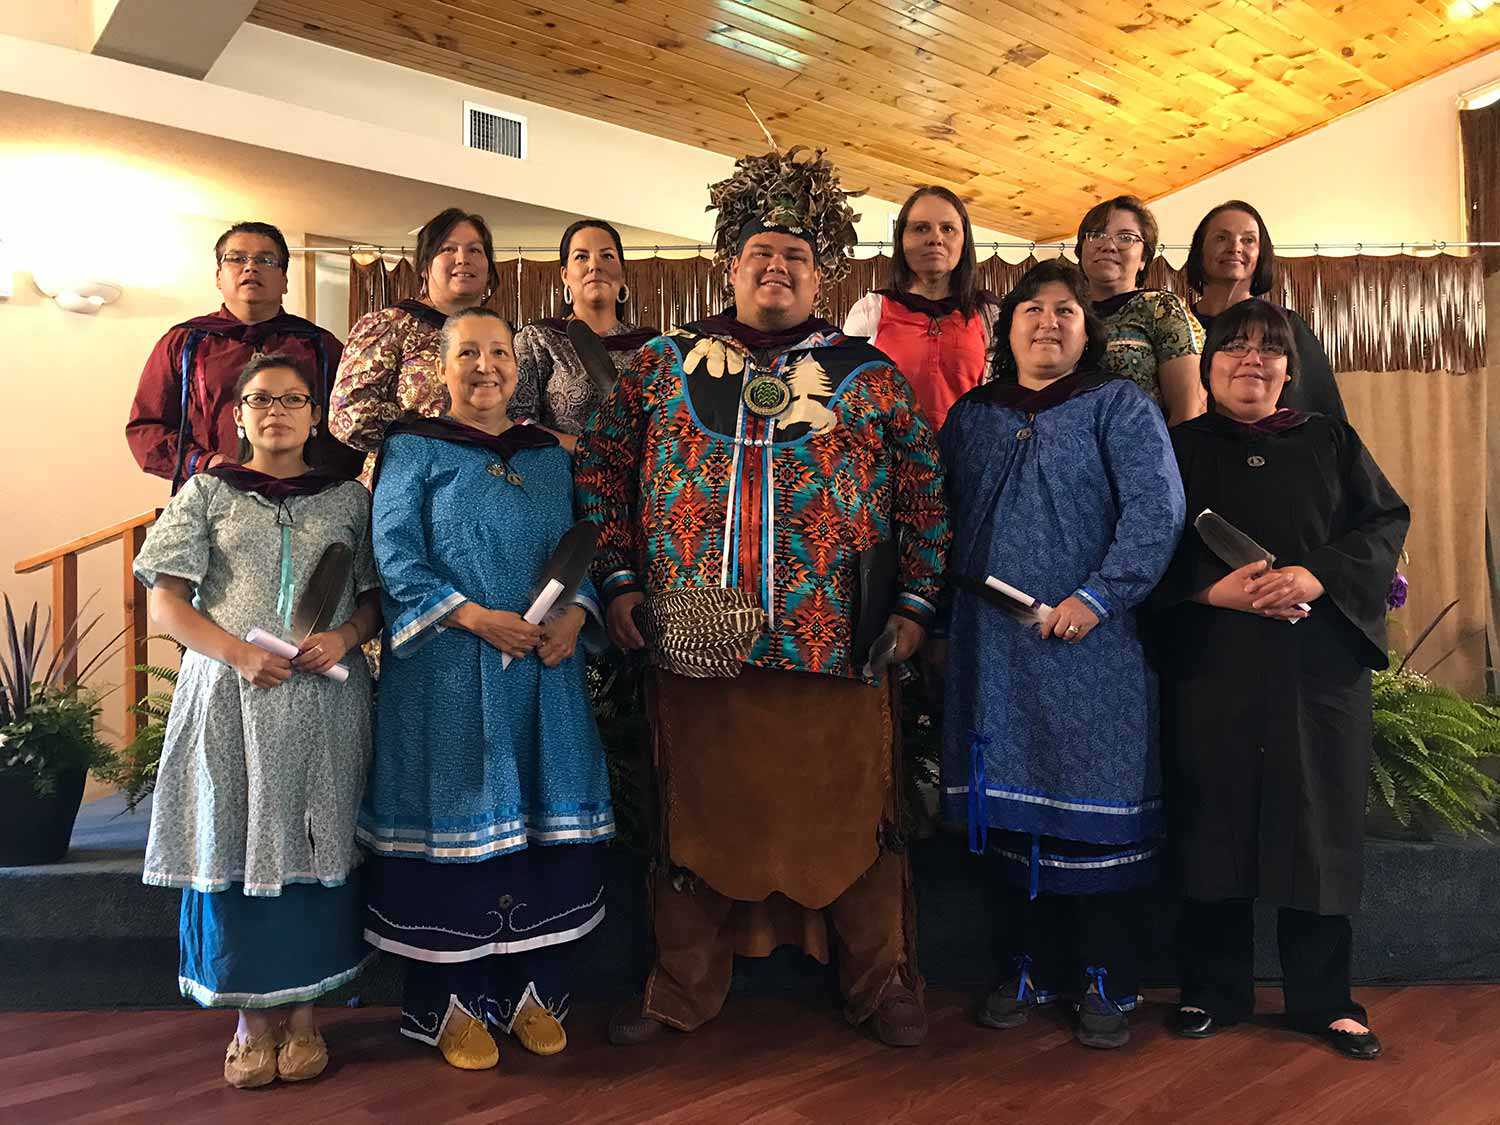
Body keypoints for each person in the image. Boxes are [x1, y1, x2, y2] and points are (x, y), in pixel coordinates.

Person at [576, 147, 950, 1049]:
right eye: (758, 254)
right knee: (698, 817)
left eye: (794, 255)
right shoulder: (660, 366)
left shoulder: (868, 374)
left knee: (855, 815)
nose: (775, 267)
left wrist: (912, 606)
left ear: (821, 274)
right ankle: (684, 983)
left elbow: (923, 495)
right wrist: (621, 581)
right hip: (698, 640)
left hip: (838, 641)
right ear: (729, 266)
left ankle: (878, 977)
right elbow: (602, 474)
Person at [359, 307, 614, 1071]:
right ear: (441, 367)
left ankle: (534, 991)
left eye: (498, 351)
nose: (484, 366)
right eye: (466, 352)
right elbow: (393, 554)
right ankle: (451, 1005)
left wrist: (576, 613)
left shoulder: (547, 455)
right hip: (446, 671)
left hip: (540, 671)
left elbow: (580, 550)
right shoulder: (412, 447)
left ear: (518, 365)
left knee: (538, 824)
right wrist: (474, 616)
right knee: (458, 830)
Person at [939, 259, 1185, 1049]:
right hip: (992, 650)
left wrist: (1097, 596)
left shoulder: (1120, 406)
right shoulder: (974, 415)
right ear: (1007, 329)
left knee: (1096, 818)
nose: (1049, 322)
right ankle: (1024, 965)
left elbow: (1157, 511)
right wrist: (937, 626)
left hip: (1097, 646)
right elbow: (936, 519)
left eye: (1066, 311)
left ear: (1089, 331)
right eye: (1033, 310)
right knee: (1009, 814)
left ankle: (1106, 976)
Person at [1154, 299, 1408, 1060]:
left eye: (1269, 351)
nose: (1251, 362)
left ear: (1291, 369)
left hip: (1316, 669)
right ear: (1208, 365)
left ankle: (1327, 999)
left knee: (1317, 828)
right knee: (1213, 821)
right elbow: (1146, 541)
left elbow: (1384, 523)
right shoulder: (1176, 447)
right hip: (1214, 666)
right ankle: (1212, 987)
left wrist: (1316, 574)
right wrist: (1208, 591)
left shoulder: (1329, 439)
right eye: (1234, 349)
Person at [132, 353, 382, 1088]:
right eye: (260, 399)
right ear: (237, 414)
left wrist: (345, 636)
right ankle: (249, 1019)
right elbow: (166, 601)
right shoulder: (207, 492)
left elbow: (370, 598)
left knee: (317, 833)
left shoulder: (347, 499)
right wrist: (237, 652)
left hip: (322, 697)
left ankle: (306, 1015)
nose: (276, 410)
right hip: (230, 696)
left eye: (293, 398)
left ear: (314, 414)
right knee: (233, 836)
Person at [127, 221, 361, 488]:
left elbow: (350, 429)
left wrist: (319, 478)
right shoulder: (183, 343)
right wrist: (204, 463)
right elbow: (146, 429)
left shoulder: (321, 346)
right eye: (236, 258)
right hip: (213, 494)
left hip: (304, 499)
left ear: (284, 280)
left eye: (266, 260)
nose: (251, 266)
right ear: (218, 276)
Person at [329, 208, 501, 481]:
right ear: (424, 267)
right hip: (408, 483)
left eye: (475, 250)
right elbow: (349, 415)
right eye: (448, 249)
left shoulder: (501, 336)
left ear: (489, 269)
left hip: (484, 480)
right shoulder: (391, 324)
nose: (462, 259)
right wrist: (429, 430)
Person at [842, 186, 1000, 431]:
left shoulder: (988, 314)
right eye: (921, 228)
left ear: (964, 240)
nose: (935, 238)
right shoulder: (870, 311)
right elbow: (849, 401)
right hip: (893, 462)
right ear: (902, 239)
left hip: (968, 461)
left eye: (948, 228)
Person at [1186, 200, 1347, 420]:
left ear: (1261, 254)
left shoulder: (1287, 325)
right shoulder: (1176, 324)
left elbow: (1321, 414)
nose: (1235, 247)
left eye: (1248, 240)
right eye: (1221, 237)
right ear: (1200, 250)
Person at [510, 219, 657, 448]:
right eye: (581, 256)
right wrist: (589, 450)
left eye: (607, 256)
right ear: (565, 275)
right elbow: (517, 420)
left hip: (635, 479)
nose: (594, 265)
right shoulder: (538, 339)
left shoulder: (651, 345)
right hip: (558, 477)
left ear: (622, 273)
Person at [1075, 195, 1205, 426]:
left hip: (1145, 454)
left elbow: (1189, 411)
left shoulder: (1161, 307)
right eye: (1096, 234)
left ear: (1144, 257)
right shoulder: (1064, 311)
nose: (1108, 245)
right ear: (1082, 248)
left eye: (1126, 237)